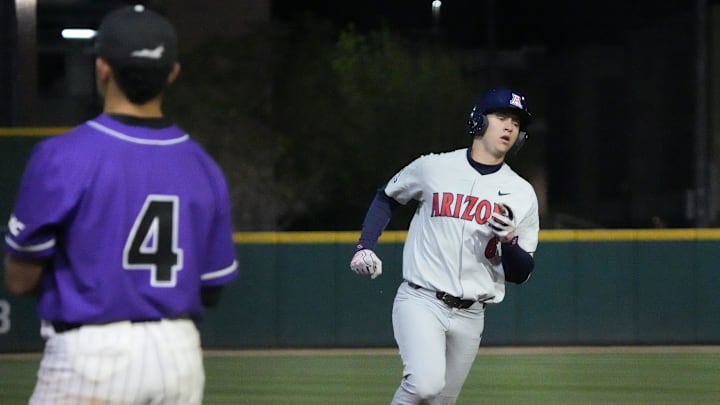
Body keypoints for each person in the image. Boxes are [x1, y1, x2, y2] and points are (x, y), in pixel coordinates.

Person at [3, 5, 239, 404]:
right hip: (178, 356)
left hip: (91, 354)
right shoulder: (203, 166)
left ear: (102, 68)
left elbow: (20, 278)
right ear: (172, 73)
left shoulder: (62, 156)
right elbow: (211, 289)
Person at [350, 87, 540, 404]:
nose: (509, 127)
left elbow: (521, 273)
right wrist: (364, 245)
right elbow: (387, 196)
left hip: (471, 314)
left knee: (441, 402)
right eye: (501, 117)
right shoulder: (434, 168)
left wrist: (508, 241)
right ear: (479, 121)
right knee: (424, 385)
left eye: (516, 123)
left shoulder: (522, 193)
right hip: (421, 300)